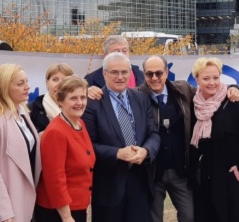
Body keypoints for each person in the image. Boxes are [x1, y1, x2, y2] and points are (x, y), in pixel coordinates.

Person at [87, 54, 239, 222]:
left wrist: (234, 88)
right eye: (149, 74)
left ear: (167, 72)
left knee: (189, 215)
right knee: (153, 217)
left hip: (180, 170)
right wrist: (88, 89)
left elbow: (210, 90)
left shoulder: (182, 90)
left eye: (159, 73)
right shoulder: (139, 95)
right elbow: (90, 142)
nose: (154, 78)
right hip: (152, 172)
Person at [82, 52, 160, 222]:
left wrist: (146, 151)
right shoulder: (91, 103)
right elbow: (88, 146)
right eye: (114, 72)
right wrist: (117, 153)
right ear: (104, 74)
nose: (120, 77)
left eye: (124, 72)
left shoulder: (141, 99)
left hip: (140, 182)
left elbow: (154, 134)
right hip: (109, 186)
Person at [190, 57, 239, 222]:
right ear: (197, 79)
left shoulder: (233, 100)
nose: (212, 83)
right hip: (206, 180)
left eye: (215, 78)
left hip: (232, 179)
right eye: (206, 78)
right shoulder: (194, 104)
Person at [0, 64, 41, 222]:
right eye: (20, 83)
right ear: (4, 87)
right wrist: (3, 212)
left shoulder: (23, 114)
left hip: (23, 200)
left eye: (27, 81)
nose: (27, 86)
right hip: (5, 206)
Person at [35, 76, 96, 222]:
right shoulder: (56, 132)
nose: (80, 103)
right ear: (60, 101)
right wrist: (66, 216)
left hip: (77, 207)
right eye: (73, 98)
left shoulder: (79, 123)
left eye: (83, 97)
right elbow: (55, 179)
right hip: (59, 212)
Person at [28, 63, 74, 132]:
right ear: (47, 83)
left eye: (65, 80)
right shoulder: (31, 109)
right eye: (55, 79)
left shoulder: (79, 107)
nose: (59, 85)